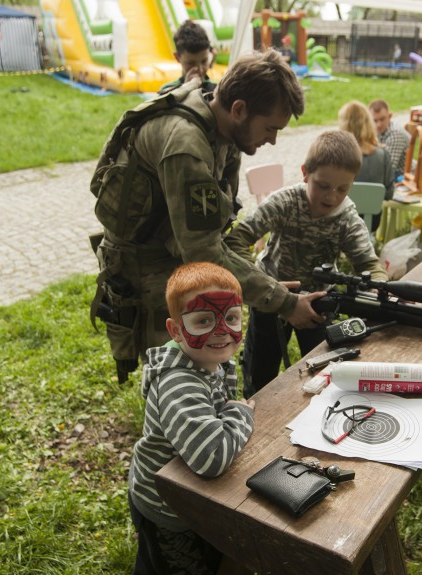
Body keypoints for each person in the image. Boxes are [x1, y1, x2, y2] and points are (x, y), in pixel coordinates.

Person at [92, 49, 324, 383]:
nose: (272, 140)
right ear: (240, 109)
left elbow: (215, 235)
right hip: (146, 268)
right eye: (270, 128)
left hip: (176, 251)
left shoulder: (226, 131)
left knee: (207, 369)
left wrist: (266, 287)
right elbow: (203, 252)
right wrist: (284, 302)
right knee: (178, 379)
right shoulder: (186, 145)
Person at [225, 131, 387, 397]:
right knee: (260, 373)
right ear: (305, 173)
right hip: (271, 297)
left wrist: (379, 293)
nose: (332, 197)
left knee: (326, 371)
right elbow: (237, 240)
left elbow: (369, 264)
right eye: (323, 186)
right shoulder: (285, 201)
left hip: (318, 304)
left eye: (343, 189)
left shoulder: (347, 217)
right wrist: (263, 285)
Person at [126, 261, 255, 575]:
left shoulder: (209, 357)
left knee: (151, 574)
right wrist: (240, 414)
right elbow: (212, 458)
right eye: (203, 320)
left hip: (168, 490)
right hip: (168, 506)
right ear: (175, 331)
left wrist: (227, 414)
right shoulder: (179, 383)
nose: (221, 331)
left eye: (231, 317)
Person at [339, 100, 394, 204]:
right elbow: (389, 194)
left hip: (343, 218)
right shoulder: (383, 156)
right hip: (372, 219)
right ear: (369, 123)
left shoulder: (338, 157)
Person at [158, 19, 216, 95]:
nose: (200, 69)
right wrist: (185, 89)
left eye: (204, 61)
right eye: (191, 63)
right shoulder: (167, 92)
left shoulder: (217, 91)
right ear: (177, 58)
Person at [368, 99, 410, 180]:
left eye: (382, 119)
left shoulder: (395, 135)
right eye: (374, 120)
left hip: (401, 176)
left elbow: (388, 169)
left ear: (390, 116)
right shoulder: (377, 130)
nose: (378, 124)